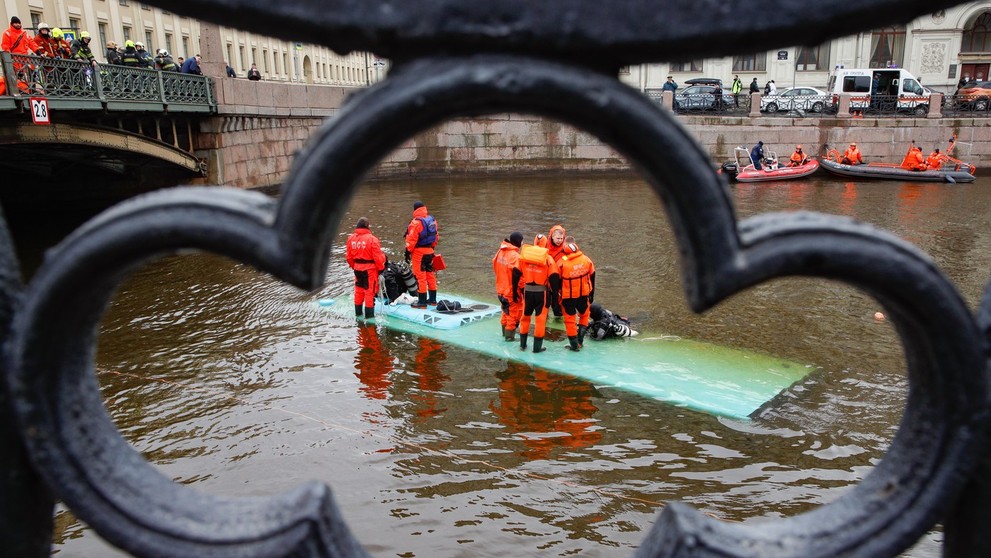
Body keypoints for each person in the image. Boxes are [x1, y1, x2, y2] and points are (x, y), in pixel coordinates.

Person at [511, 242, 560, 353]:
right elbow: (554, 277)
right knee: (540, 320)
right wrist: (555, 299)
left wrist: (514, 292)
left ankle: (522, 345)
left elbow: (515, 273)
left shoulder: (524, 256)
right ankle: (537, 348)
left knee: (525, 318)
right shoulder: (548, 258)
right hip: (541, 293)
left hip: (527, 292)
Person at [345, 217, 387, 320]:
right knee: (369, 292)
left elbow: (349, 257)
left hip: (357, 269)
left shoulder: (351, 239)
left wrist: (354, 266)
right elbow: (378, 257)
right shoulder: (372, 239)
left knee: (358, 291)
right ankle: (369, 319)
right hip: (370, 270)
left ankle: (358, 315)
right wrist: (381, 268)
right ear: (367, 226)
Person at [557, 241, 595, 351]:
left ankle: (574, 345)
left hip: (568, 297)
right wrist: (592, 293)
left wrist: (556, 298)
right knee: (584, 316)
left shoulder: (561, 263)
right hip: (584, 294)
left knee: (570, 320)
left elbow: (556, 280)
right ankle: (580, 341)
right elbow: (593, 275)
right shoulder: (586, 259)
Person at [404, 201, 439, 309]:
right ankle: (433, 300)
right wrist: (432, 248)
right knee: (430, 275)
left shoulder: (415, 223)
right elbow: (436, 236)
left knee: (420, 277)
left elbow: (411, 240)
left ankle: (422, 302)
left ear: (415, 210)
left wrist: (408, 251)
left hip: (419, 253)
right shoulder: (432, 220)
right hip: (430, 251)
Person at [493, 232, 524, 342]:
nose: (523, 243)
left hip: (500, 289)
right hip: (510, 291)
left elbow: (495, 265)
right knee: (513, 316)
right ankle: (509, 338)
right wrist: (522, 291)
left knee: (505, 312)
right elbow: (520, 277)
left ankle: (504, 334)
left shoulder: (500, 251)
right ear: (518, 242)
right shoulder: (515, 256)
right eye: (522, 241)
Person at [536, 225, 567, 317]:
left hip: (559, 280)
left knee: (557, 304)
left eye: (561, 238)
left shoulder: (565, 249)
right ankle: (544, 317)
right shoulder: (544, 246)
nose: (559, 241)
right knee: (545, 302)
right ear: (552, 237)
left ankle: (558, 315)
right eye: (558, 238)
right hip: (545, 279)